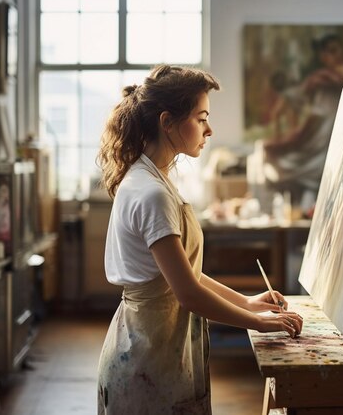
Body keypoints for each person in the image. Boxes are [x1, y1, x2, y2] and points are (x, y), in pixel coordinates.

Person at [95, 65, 303, 414]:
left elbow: (181, 274)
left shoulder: (152, 178)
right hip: (147, 355)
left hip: (155, 344)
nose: (209, 129)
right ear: (167, 122)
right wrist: (258, 323)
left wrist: (247, 302)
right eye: (201, 117)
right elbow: (188, 292)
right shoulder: (151, 193)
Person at [263, 34, 343, 205]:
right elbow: (298, 99)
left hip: (334, 126)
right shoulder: (321, 77)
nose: (336, 55)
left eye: (337, 50)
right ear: (323, 57)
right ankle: (306, 198)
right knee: (284, 151)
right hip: (319, 124)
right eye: (330, 52)